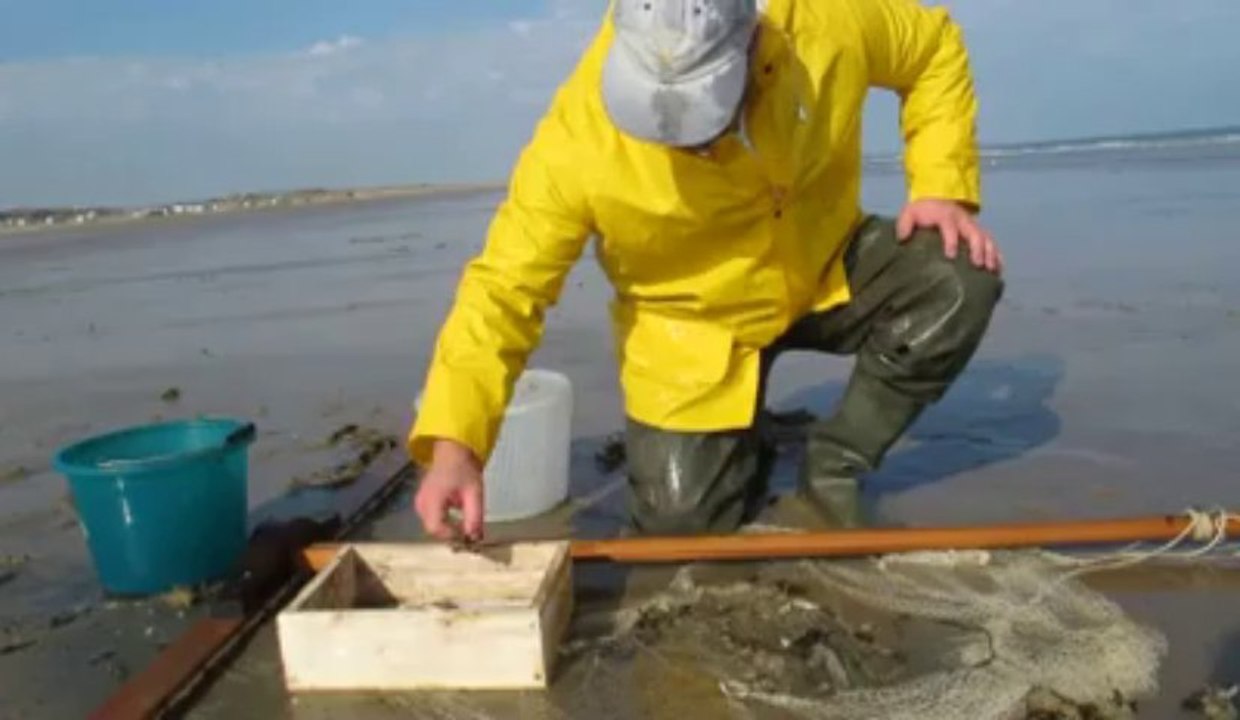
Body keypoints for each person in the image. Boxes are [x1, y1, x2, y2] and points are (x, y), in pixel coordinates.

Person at [409, 0, 1004, 542]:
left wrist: (943, 189)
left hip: (825, 265)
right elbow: (502, 291)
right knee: (682, 530)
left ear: (751, 42)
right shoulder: (574, 145)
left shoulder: (823, 24)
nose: (680, 139)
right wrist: (457, 445)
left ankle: (836, 465)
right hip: (693, 328)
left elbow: (933, 48)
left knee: (958, 279)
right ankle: (739, 438)